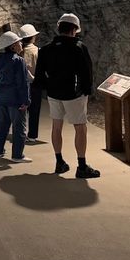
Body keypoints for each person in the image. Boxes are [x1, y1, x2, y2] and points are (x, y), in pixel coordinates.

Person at [34, 13, 100, 178]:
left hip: (53, 93)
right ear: (74, 29)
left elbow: (40, 73)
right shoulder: (78, 47)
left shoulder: (46, 49)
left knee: (56, 127)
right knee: (80, 128)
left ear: (59, 28)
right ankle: (82, 166)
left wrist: (44, 88)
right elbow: (86, 72)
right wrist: (87, 90)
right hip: (73, 94)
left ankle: (59, 162)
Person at [0, 31, 32, 162]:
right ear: (13, 46)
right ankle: (17, 155)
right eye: (18, 42)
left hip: (2, 98)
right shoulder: (18, 61)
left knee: (2, 125)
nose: (21, 44)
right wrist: (26, 100)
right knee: (19, 128)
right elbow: (23, 83)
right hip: (16, 99)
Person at [17, 24, 42, 143]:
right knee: (34, 111)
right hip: (35, 84)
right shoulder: (38, 51)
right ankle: (32, 135)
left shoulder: (19, 52)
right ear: (32, 37)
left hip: (22, 85)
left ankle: (20, 132)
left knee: (21, 111)